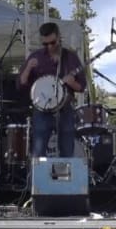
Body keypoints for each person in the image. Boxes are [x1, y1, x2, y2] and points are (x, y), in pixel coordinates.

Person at [18, 22, 86, 158]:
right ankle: (38, 178)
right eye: (45, 44)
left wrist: (72, 83)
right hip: (42, 109)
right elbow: (21, 84)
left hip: (65, 108)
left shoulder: (70, 57)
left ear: (59, 37)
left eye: (52, 42)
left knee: (67, 150)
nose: (49, 46)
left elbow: (81, 87)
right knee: (38, 152)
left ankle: (65, 178)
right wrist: (28, 68)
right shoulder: (35, 57)